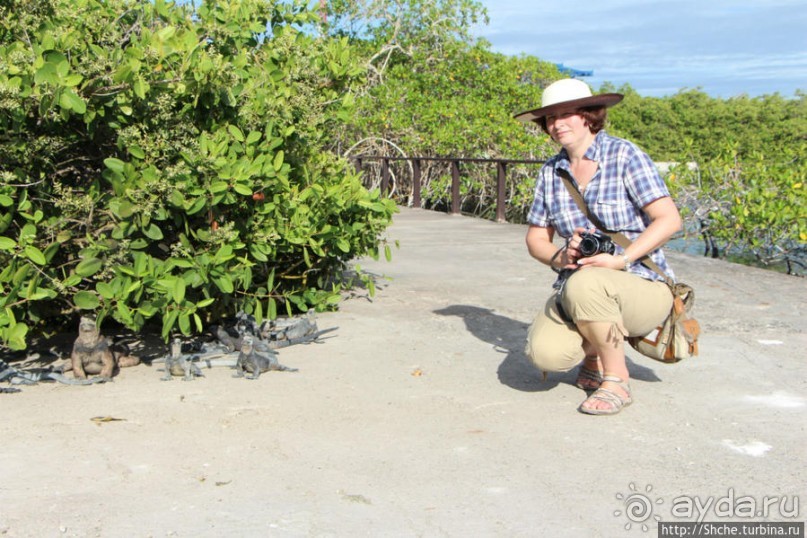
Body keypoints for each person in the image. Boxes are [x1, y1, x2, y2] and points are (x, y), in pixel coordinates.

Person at [514, 78, 682, 415]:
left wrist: (620, 259)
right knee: (546, 355)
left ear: (589, 115)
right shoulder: (551, 172)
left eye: (567, 114)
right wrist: (561, 256)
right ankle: (592, 355)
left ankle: (616, 379)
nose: (557, 124)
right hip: (577, 284)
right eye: (550, 118)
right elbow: (535, 239)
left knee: (588, 283)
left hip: (641, 285)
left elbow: (669, 220)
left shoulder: (624, 155)